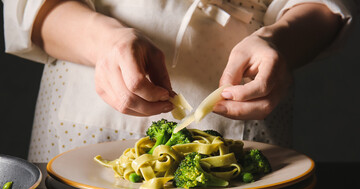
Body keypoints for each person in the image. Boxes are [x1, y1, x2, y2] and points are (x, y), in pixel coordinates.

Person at [2, 0, 356, 163]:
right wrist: (106, 42)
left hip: (244, 128)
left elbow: (328, 6)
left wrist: (278, 41)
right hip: (80, 117)